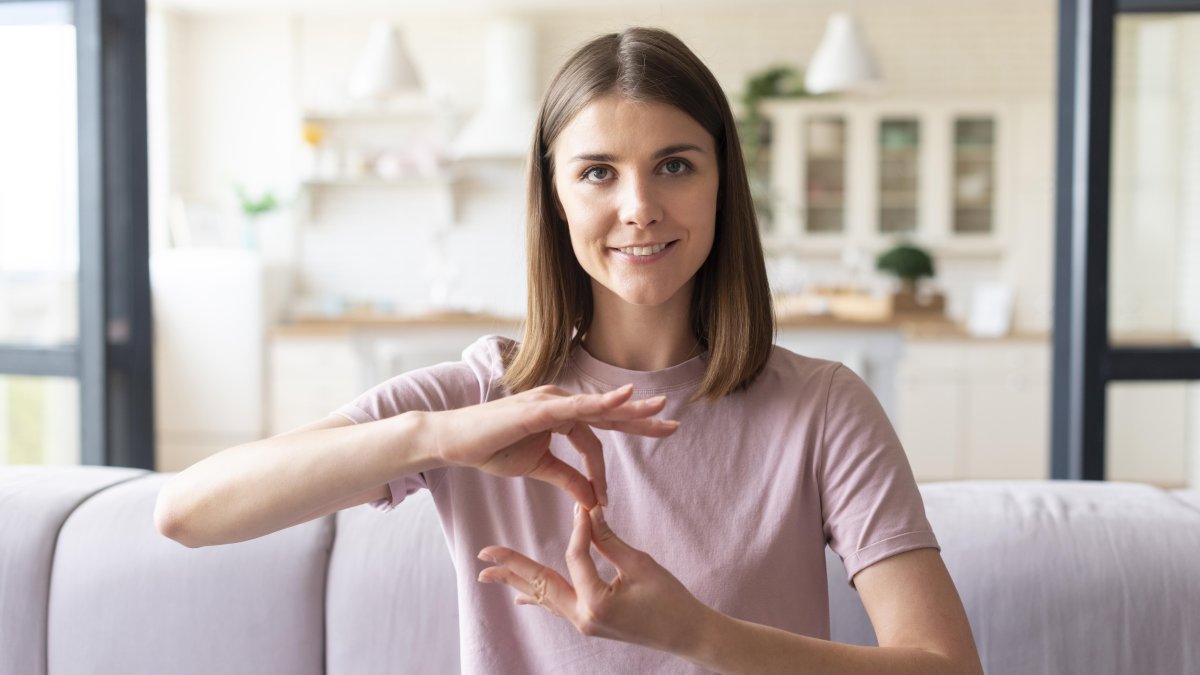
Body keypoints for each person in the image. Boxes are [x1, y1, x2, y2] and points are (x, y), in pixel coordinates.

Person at [156, 26, 983, 675]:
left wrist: (701, 635)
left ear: (722, 182)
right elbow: (187, 513)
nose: (639, 207)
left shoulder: (823, 408)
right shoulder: (483, 394)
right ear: (553, 198)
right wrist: (433, 435)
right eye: (596, 173)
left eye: (674, 165)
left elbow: (947, 666)